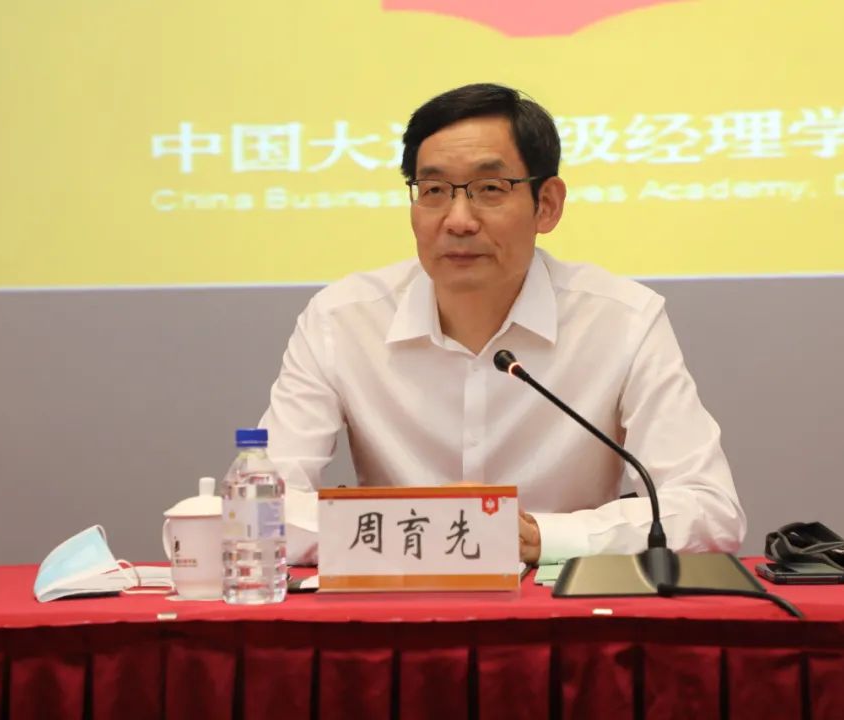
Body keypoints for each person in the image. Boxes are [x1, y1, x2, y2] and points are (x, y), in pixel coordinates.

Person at [261, 83, 745, 565]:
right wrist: (429, 529)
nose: (458, 220)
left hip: (559, 606)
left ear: (547, 204)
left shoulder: (622, 320)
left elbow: (709, 507)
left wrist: (543, 536)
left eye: (489, 190)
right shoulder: (342, 320)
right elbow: (259, 507)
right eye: (433, 191)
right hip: (401, 602)